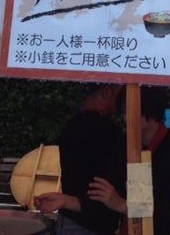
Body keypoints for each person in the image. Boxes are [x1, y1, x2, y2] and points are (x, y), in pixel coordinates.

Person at [87, 85, 170, 235]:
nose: (125, 118)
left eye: (130, 111)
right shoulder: (123, 146)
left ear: (150, 109)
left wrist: (122, 205)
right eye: (123, 112)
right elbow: (106, 197)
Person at [34, 82, 124, 235]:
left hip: (67, 219)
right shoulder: (109, 131)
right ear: (107, 92)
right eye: (119, 94)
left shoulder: (72, 124)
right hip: (92, 223)